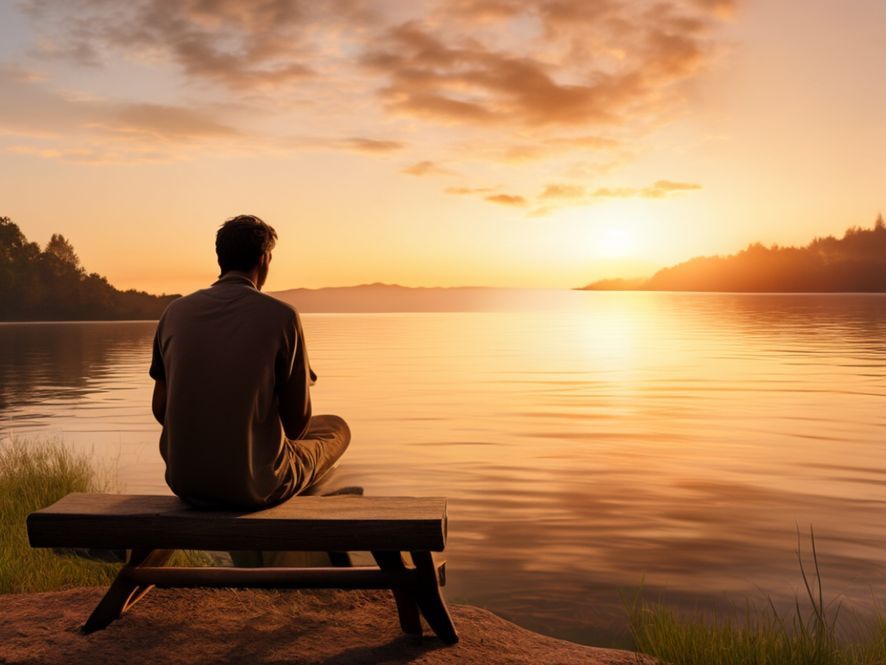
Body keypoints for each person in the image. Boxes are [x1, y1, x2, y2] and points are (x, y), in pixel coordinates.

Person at [149, 214, 350, 509]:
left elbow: (160, 410)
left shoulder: (174, 313)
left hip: (185, 482)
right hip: (253, 487)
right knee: (335, 428)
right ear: (265, 259)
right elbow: (297, 427)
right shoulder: (282, 316)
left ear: (220, 258)